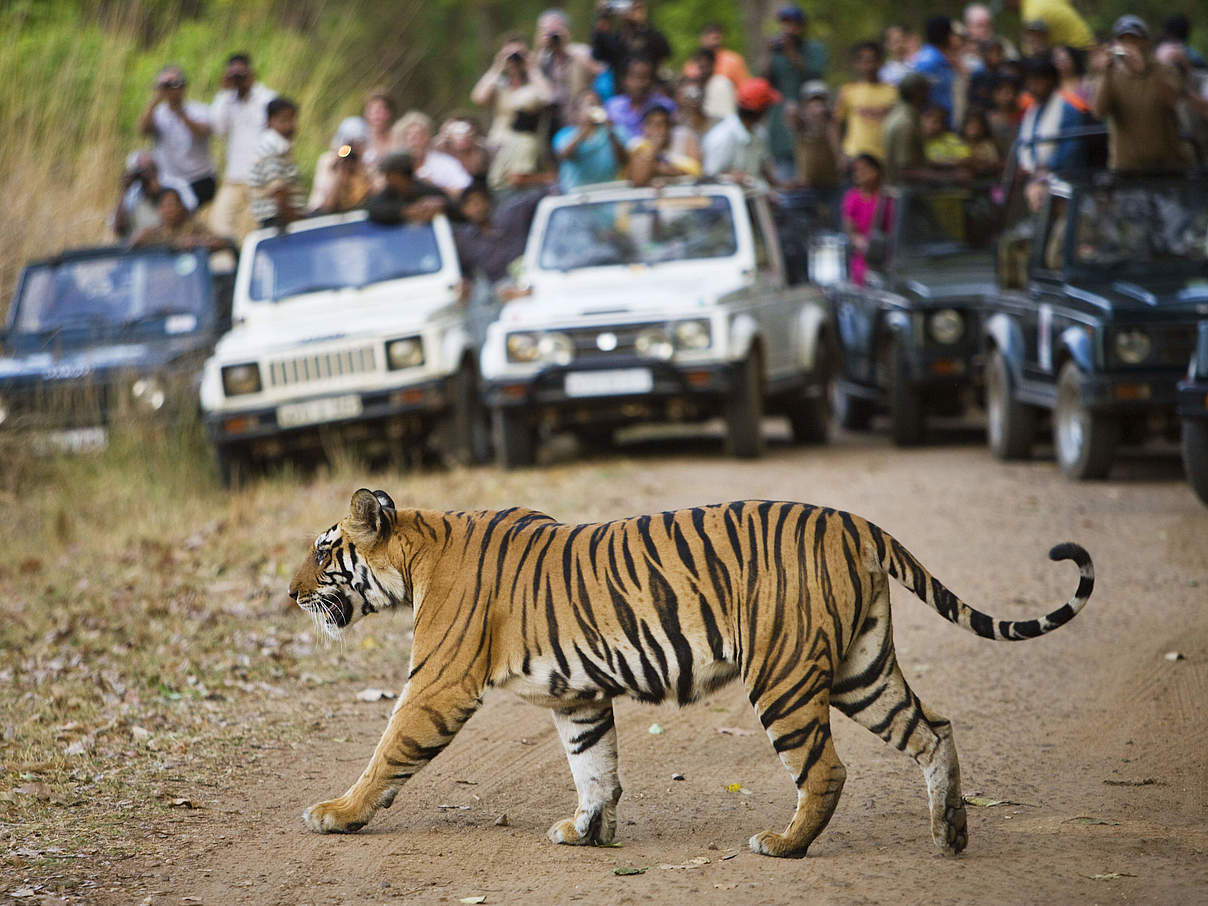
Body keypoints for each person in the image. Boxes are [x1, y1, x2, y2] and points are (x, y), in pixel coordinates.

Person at [1091, 16, 1188, 172]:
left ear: (1146, 42)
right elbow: (1097, 112)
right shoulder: (1109, 75)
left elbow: (1173, 101)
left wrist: (1144, 72)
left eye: (1135, 40)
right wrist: (1105, 73)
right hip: (1126, 168)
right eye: (1124, 40)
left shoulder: (1165, 70)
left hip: (1167, 166)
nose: (1130, 45)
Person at [471, 37, 555, 193]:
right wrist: (497, 67)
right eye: (510, 55)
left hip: (526, 152)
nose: (515, 59)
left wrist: (532, 68)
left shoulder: (534, 85)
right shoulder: (499, 85)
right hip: (498, 146)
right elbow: (478, 98)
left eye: (519, 54)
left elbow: (548, 98)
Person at [208, 53, 276, 243]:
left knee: (253, 229)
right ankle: (228, 267)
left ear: (251, 73)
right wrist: (225, 92)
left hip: (259, 177)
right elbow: (217, 128)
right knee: (219, 223)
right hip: (234, 178)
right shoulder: (226, 100)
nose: (238, 79)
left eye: (241, 74)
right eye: (233, 75)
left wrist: (248, 87)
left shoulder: (266, 98)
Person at [765, 5, 829, 183]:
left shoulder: (814, 49)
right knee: (786, 176)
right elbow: (765, 82)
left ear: (802, 26)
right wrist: (770, 54)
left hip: (809, 127)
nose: (790, 28)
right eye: (786, 23)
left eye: (794, 24)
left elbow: (815, 76)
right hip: (781, 127)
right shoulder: (776, 52)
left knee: (811, 177)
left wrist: (791, 52)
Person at [138, 65, 216, 206]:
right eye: (166, 84)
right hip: (169, 180)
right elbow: (143, 130)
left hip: (199, 178)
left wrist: (180, 112)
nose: (171, 89)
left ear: (184, 86)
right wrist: (155, 99)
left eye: (175, 83)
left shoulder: (200, 110)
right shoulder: (157, 113)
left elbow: (202, 133)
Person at [453, 181, 546, 288]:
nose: (476, 208)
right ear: (463, 210)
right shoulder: (465, 241)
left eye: (479, 201)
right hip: (502, 291)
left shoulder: (513, 213)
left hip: (537, 276)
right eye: (469, 204)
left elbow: (541, 196)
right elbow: (465, 274)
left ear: (489, 201)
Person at [1018, 54, 1089, 176]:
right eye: (1030, 82)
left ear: (1050, 81)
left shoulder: (1068, 109)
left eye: (1037, 82)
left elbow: (1070, 150)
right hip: (1034, 176)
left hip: (1064, 177)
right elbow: (1023, 144)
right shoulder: (1032, 111)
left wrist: (1047, 169)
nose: (1032, 88)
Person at [702, 77, 781, 183]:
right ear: (761, 111)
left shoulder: (759, 133)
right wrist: (730, 177)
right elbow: (709, 178)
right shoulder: (722, 137)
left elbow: (765, 170)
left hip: (757, 196)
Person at [832, 41, 898, 165]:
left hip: (885, 157)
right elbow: (835, 124)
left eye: (873, 60)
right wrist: (839, 154)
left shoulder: (893, 92)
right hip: (855, 156)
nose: (869, 66)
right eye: (864, 61)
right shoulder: (847, 91)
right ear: (857, 64)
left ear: (880, 62)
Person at [535, 8, 596, 136]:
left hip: (578, 120)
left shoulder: (581, 51)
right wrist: (540, 45)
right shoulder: (541, 58)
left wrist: (566, 48)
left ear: (567, 30)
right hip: (551, 123)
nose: (552, 36)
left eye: (556, 30)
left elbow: (596, 72)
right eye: (547, 31)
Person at [248, 97, 306, 229]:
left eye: (292, 119)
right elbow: (278, 192)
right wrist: (297, 223)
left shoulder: (281, 147)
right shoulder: (272, 148)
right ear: (270, 122)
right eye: (283, 120)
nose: (289, 125)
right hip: (278, 222)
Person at [553, 90, 626, 190]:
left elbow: (623, 161)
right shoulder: (565, 134)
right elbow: (564, 156)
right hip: (576, 195)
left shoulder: (615, 131)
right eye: (589, 104)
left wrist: (610, 130)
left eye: (597, 104)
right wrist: (583, 131)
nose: (593, 108)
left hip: (608, 192)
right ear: (577, 111)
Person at [390, 110, 472, 197]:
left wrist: (433, 187)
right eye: (407, 135)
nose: (412, 139)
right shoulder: (394, 167)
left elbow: (466, 191)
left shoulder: (445, 163)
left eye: (418, 134)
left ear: (428, 137)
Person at [129, 182, 226, 251]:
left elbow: (221, 243)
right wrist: (137, 240)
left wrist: (197, 243)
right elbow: (129, 248)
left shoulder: (194, 228)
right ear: (159, 210)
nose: (170, 209)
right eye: (165, 206)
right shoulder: (152, 233)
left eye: (173, 204)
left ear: (181, 207)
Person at [840, 154, 891, 286]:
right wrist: (863, 244)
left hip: (890, 252)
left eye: (865, 169)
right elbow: (851, 231)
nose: (860, 174)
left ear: (876, 171)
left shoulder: (888, 195)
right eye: (856, 171)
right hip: (866, 256)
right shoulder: (852, 197)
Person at [364, 151, 450, 225]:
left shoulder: (427, 190)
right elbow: (373, 208)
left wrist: (441, 205)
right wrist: (405, 211)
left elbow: (454, 208)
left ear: (399, 175)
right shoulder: (389, 193)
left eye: (389, 174)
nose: (386, 178)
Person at [308, 117, 372, 215]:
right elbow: (327, 205)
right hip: (323, 215)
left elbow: (372, 196)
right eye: (349, 144)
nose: (352, 150)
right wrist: (340, 170)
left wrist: (360, 168)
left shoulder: (366, 163)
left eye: (358, 144)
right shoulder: (328, 161)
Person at [792, 82, 841, 207]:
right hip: (808, 186)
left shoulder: (831, 126)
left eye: (820, 104)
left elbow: (836, 148)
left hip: (832, 184)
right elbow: (793, 118)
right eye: (812, 104)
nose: (818, 109)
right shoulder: (802, 126)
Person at [626, 104, 701, 186]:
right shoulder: (638, 145)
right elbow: (638, 180)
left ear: (669, 127)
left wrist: (657, 169)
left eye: (659, 125)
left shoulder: (684, 137)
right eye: (649, 124)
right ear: (643, 127)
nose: (654, 130)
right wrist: (654, 148)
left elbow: (695, 172)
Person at [603, 56, 674, 142]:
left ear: (652, 80)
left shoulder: (666, 106)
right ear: (624, 79)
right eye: (634, 77)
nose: (639, 83)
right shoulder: (612, 107)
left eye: (644, 77)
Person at [590, 0, 671, 75]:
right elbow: (598, 55)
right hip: (620, 85)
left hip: (648, 83)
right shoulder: (618, 36)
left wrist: (643, 24)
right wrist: (603, 17)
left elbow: (666, 51)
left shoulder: (648, 34)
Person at [881, 72, 933, 183]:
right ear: (917, 93)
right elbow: (904, 171)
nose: (929, 95)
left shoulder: (903, 114)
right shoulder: (905, 123)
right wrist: (947, 176)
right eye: (926, 90)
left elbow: (916, 162)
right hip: (904, 194)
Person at [910, 16, 958, 127]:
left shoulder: (941, 59)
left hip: (945, 122)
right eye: (951, 34)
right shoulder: (929, 62)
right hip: (933, 126)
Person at [111, 151, 163, 239]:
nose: (145, 175)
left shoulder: (170, 188)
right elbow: (118, 229)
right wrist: (124, 190)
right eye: (140, 170)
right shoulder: (130, 197)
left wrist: (153, 181)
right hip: (138, 247)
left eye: (150, 169)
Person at [1006, 0, 1093, 51]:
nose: (1007, 6)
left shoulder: (1031, 14)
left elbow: (1032, 52)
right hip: (1087, 37)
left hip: (1077, 48)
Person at [434, 116, 491, 181]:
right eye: (457, 134)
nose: (461, 138)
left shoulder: (483, 150)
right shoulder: (438, 149)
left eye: (467, 134)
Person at [697, 22, 750, 86]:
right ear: (701, 38)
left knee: (720, 82)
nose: (712, 40)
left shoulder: (733, 60)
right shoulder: (693, 63)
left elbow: (744, 86)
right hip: (701, 94)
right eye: (708, 35)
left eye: (716, 37)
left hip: (727, 94)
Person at [692, 48, 737, 122]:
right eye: (700, 67)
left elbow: (726, 116)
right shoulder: (697, 85)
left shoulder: (722, 84)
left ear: (712, 65)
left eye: (705, 67)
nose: (702, 72)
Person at [362, 93, 397, 171]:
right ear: (366, 114)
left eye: (380, 109)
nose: (376, 114)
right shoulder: (360, 138)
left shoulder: (399, 137)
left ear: (389, 113)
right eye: (372, 109)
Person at [961, 108, 1001, 174]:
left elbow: (993, 162)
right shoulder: (957, 143)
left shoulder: (988, 145)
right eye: (970, 124)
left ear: (983, 128)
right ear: (964, 126)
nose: (973, 127)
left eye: (977, 125)